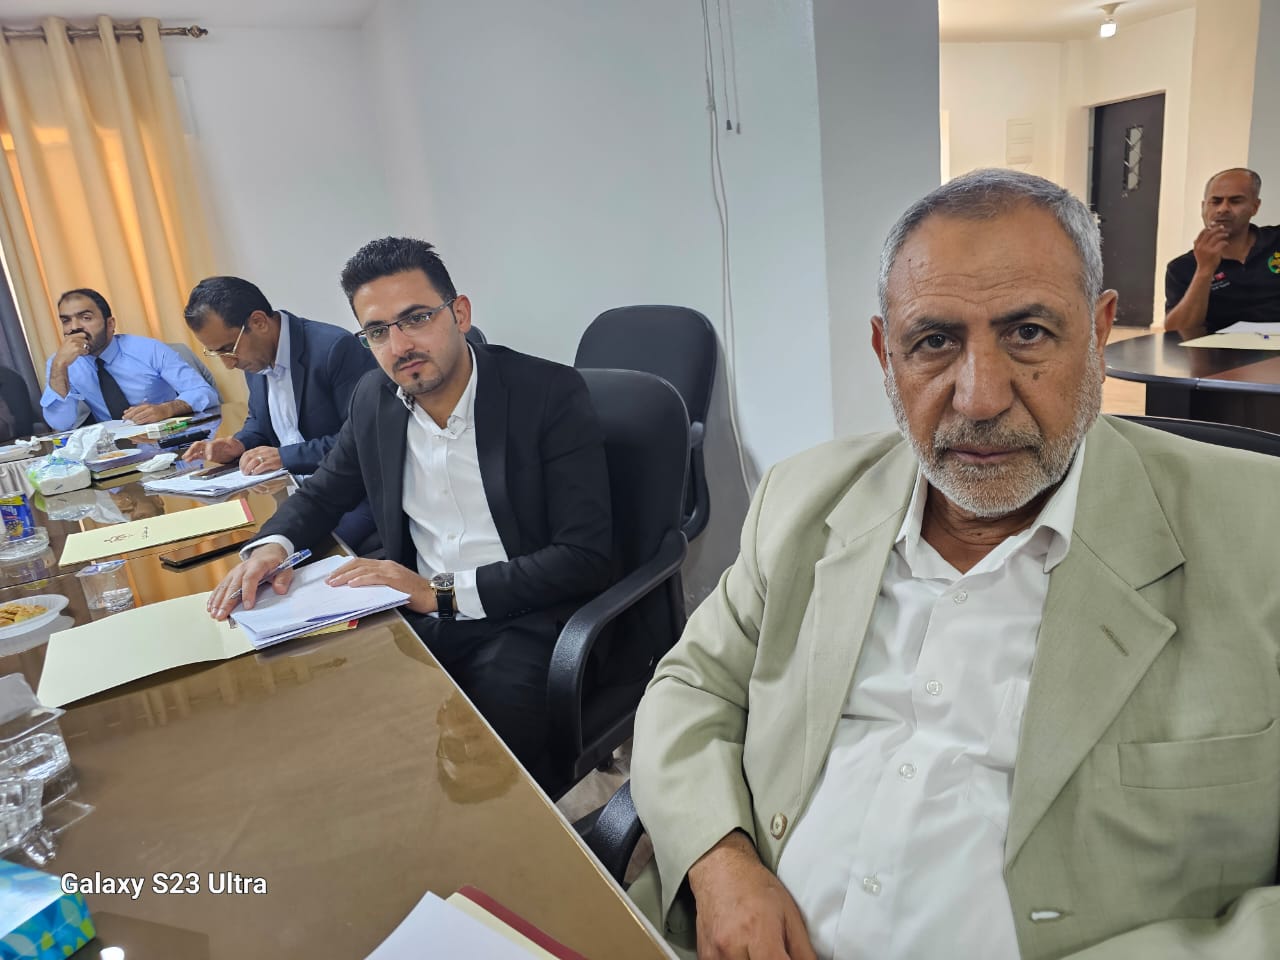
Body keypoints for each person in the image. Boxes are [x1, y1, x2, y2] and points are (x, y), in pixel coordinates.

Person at [629, 169, 1280, 960]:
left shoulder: (1259, 534)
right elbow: (693, 686)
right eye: (934, 342)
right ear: (885, 354)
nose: (978, 397)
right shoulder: (802, 501)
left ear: (1100, 333)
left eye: (1028, 333)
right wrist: (720, 864)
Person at [205, 238, 613, 786]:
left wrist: (437, 592)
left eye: (416, 318)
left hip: (525, 616)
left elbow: (584, 557)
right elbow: (324, 493)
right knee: (330, 728)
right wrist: (268, 549)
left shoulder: (547, 393)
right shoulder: (374, 398)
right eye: (377, 331)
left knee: (484, 775)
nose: (400, 345)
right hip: (414, 612)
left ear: (459, 314)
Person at [180, 276, 378, 548]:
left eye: (228, 349)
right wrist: (239, 443)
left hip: (351, 497)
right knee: (245, 549)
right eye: (217, 354)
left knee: (295, 556)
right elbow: (260, 421)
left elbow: (363, 442)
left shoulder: (333, 349)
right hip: (296, 494)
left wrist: (284, 456)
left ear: (259, 322)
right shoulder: (254, 358)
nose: (228, 364)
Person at [40, 288, 221, 430]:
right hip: (117, 452)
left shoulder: (149, 350)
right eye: (66, 321)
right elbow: (61, 423)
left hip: (170, 438)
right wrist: (59, 366)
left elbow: (205, 393)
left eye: (85, 318)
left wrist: (167, 409)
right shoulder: (61, 363)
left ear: (110, 324)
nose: (74, 328)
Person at [1164, 167, 1280, 333]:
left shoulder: (1275, 241)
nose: (1223, 209)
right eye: (1216, 201)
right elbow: (1175, 332)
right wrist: (1205, 270)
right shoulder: (1181, 267)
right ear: (1203, 207)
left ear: (1255, 207)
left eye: (1235, 201)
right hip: (1220, 348)